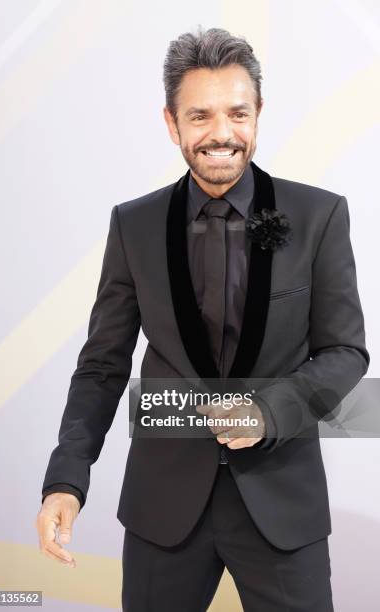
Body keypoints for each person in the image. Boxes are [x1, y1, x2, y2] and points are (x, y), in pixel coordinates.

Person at [36, 26, 369, 611]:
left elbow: (346, 354)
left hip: (281, 509)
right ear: (171, 123)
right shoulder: (132, 226)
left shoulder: (320, 216)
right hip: (162, 511)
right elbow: (101, 367)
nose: (222, 134)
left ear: (259, 113)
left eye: (238, 113)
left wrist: (269, 411)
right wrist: (66, 479)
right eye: (200, 116)